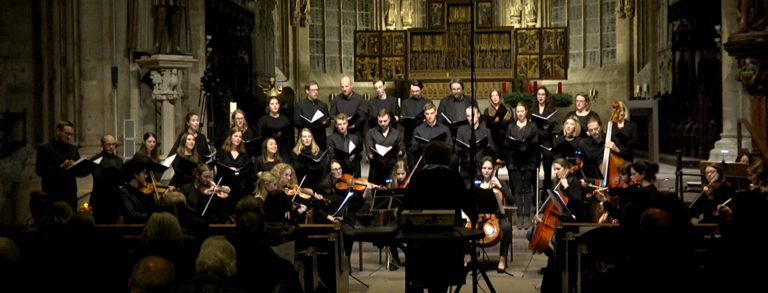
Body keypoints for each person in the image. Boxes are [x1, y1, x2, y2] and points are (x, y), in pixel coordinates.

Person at [315, 160, 370, 253]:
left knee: (349, 232)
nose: (338, 171)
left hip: (343, 221)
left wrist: (365, 194)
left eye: (340, 168)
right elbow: (317, 208)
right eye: (335, 169)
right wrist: (329, 217)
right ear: (329, 172)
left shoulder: (346, 188)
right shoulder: (323, 187)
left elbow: (355, 206)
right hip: (328, 221)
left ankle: (346, 259)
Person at [594, 160, 660, 233]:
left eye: (633, 174)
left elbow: (622, 216)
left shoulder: (638, 193)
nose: (631, 177)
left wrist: (604, 200)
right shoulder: (653, 189)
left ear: (642, 174)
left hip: (632, 232)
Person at [35, 121, 88, 211]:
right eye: (67, 134)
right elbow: (40, 170)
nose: (69, 137)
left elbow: (76, 170)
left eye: (71, 134)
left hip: (70, 193)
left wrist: (83, 172)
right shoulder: (45, 149)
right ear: (58, 131)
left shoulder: (73, 149)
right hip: (53, 193)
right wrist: (60, 167)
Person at [476, 156, 514, 273]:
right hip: (479, 216)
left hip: (497, 216)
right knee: (465, 226)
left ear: (493, 169)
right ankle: (468, 257)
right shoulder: (477, 182)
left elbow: (511, 200)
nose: (486, 170)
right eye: (484, 168)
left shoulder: (499, 182)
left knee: (507, 228)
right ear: (480, 169)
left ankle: (502, 258)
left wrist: (500, 187)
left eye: (489, 168)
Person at [506, 102, 539, 229]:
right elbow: (507, 142)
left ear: (526, 111)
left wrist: (526, 146)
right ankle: (520, 215)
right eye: (518, 111)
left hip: (529, 158)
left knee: (527, 189)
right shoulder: (511, 126)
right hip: (516, 160)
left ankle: (527, 215)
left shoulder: (532, 126)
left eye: (522, 111)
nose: (520, 113)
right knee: (518, 189)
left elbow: (536, 141)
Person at [455, 106, 496, 188]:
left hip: (482, 170)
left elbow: (493, 151)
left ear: (478, 114)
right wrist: (464, 152)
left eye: (472, 115)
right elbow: (457, 150)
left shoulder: (486, 131)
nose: (470, 118)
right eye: (468, 116)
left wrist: (487, 146)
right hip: (466, 168)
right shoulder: (461, 130)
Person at [216, 127, 253, 216]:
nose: (238, 139)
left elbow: (247, 169)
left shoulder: (243, 152)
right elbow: (219, 166)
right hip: (226, 182)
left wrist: (238, 171)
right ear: (230, 137)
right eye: (235, 136)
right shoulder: (222, 151)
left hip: (239, 184)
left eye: (240, 137)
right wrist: (230, 169)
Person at [89, 134, 124, 224]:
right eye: (108, 144)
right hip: (101, 198)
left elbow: (122, 177)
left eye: (113, 144)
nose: (111, 147)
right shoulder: (96, 159)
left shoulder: (119, 160)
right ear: (102, 145)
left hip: (115, 199)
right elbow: (98, 178)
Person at [365, 109, 405, 185]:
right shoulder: (371, 133)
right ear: (377, 120)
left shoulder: (396, 133)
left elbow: (402, 152)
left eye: (385, 121)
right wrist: (378, 157)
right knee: (375, 194)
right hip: (376, 168)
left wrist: (392, 151)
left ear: (389, 119)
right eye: (380, 121)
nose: (383, 123)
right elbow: (369, 153)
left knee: (390, 191)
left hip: (391, 168)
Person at [410, 102, 453, 171]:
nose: (429, 116)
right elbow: (414, 149)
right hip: (424, 164)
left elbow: (450, 146)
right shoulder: (418, 130)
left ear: (436, 112)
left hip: (440, 164)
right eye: (427, 114)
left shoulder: (444, 129)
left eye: (432, 113)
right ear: (424, 114)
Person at [532, 87, 557, 191]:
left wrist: (545, 126)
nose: (540, 97)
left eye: (543, 94)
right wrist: (544, 126)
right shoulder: (533, 109)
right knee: (534, 167)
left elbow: (551, 126)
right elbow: (532, 124)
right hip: (536, 139)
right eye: (539, 94)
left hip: (547, 140)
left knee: (547, 168)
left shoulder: (551, 109)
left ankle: (547, 192)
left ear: (546, 96)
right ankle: (535, 193)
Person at [401, 80, 430, 169]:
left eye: (417, 91)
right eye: (413, 91)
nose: (415, 93)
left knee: (426, 165)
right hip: (410, 138)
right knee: (412, 165)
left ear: (422, 89)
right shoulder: (406, 102)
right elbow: (403, 120)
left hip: (425, 138)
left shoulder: (427, 102)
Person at [294, 80, 331, 149]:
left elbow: (328, 121)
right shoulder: (300, 105)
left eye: (317, 90)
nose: (316, 92)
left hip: (320, 139)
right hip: (305, 139)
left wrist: (325, 122)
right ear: (307, 91)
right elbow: (296, 123)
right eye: (313, 90)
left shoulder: (323, 105)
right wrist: (306, 123)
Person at [256, 96, 295, 161]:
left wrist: (282, 134)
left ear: (279, 105)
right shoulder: (263, 120)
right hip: (268, 150)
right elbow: (259, 136)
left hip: (283, 148)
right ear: (268, 106)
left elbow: (290, 135)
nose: (275, 106)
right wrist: (271, 136)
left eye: (276, 103)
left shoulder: (284, 119)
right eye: (272, 104)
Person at [330, 76, 368, 142]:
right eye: (342, 87)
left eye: (346, 86)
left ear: (351, 85)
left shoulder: (359, 99)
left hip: (355, 132)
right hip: (339, 132)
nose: (344, 89)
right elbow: (331, 114)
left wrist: (355, 125)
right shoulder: (337, 99)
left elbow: (363, 116)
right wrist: (338, 121)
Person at [118, 159, 154, 224]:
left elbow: (149, 207)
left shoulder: (139, 191)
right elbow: (131, 215)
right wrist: (152, 217)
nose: (146, 176)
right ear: (136, 174)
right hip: (133, 230)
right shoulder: (124, 192)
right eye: (144, 172)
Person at [327, 113, 363, 177]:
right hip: (340, 170)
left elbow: (359, 156)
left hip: (353, 170)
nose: (342, 126)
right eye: (340, 124)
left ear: (347, 123)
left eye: (344, 123)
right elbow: (332, 156)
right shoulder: (330, 139)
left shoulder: (354, 138)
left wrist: (354, 155)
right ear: (336, 125)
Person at [484, 88, 513, 162]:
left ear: (500, 96)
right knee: (494, 162)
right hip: (494, 140)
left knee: (509, 162)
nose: (495, 97)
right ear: (490, 98)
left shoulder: (508, 108)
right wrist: (494, 123)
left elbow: (511, 123)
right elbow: (487, 126)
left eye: (496, 95)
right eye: (492, 96)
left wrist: (499, 122)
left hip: (506, 139)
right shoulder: (487, 111)